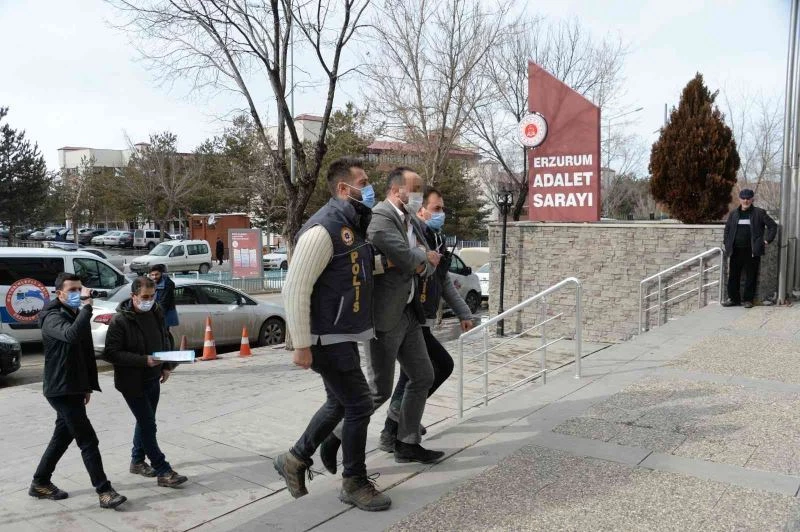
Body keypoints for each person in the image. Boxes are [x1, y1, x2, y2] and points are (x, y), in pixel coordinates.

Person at [273, 157, 391, 511]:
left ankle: (295, 458)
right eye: (363, 183)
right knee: (359, 404)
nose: (369, 189)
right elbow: (295, 287)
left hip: (341, 333)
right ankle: (353, 482)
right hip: (324, 337)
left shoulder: (350, 226)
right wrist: (301, 344)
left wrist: (388, 263)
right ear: (343, 188)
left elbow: (351, 268)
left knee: (340, 402)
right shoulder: (322, 228)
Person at [320, 167, 443, 470]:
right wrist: (420, 259)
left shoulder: (410, 220)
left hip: (409, 312)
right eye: (415, 189)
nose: (419, 195)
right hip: (384, 316)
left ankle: (407, 443)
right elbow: (409, 258)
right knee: (379, 390)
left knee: (423, 376)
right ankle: (333, 437)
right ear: (397, 191)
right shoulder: (380, 218)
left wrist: (421, 260)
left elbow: (429, 263)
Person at [377, 187, 474, 451]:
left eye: (443, 209)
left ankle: (398, 429)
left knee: (414, 376)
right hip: (411, 318)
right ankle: (396, 425)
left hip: (424, 319)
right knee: (436, 367)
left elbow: (443, 282)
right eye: (436, 208)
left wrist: (464, 312)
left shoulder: (436, 239)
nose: (441, 214)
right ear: (420, 211)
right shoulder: (413, 237)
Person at [30, 273, 127, 509]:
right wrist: (86, 307)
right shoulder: (52, 317)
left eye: (79, 289)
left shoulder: (73, 313)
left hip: (73, 386)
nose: (77, 293)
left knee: (62, 437)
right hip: (60, 389)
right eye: (72, 290)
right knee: (88, 440)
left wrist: (86, 386)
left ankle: (40, 482)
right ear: (59, 293)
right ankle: (104, 491)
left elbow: (83, 354)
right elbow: (71, 337)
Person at [103, 276, 188, 488]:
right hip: (131, 382)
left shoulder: (156, 311)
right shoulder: (120, 321)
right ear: (133, 296)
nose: (149, 300)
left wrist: (166, 366)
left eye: (152, 296)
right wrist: (143, 360)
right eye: (144, 297)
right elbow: (111, 353)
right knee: (149, 424)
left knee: (145, 421)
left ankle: (137, 461)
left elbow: (164, 338)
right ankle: (163, 469)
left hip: (153, 377)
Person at [722, 188, 777, 308]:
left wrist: (767, 240)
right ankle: (733, 299)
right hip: (735, 250)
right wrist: (727, 243)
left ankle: (748, 300)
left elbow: (773, 226)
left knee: (751, 276)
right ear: (740, 199)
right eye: (743, 198)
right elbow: (727, 230)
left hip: (752, 250)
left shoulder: (759, 213)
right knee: (733, 276)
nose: (745, 201)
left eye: (748, 198)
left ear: (752, 199)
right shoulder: (734, 214)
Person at [149, 264, 178, 338]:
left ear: (161, 274)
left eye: (156, 274)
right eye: (152, 275)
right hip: (157, 314)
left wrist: (156, 317)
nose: (154, 277)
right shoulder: (153, 283)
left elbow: (163, 303)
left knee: (163, 335)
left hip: (162, 315)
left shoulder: (166, 285)